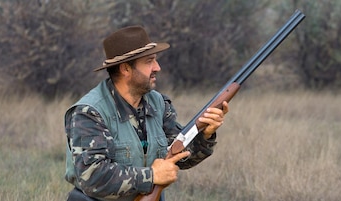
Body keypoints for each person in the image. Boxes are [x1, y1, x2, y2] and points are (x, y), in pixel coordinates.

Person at [64, 26, 228, 201]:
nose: (157, 67)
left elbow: (180, 157)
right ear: (126, 69)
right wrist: (151, 176)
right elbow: (93, 177)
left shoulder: (158, 104)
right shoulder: (89, 112)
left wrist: (205, 134)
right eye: (149, 61)